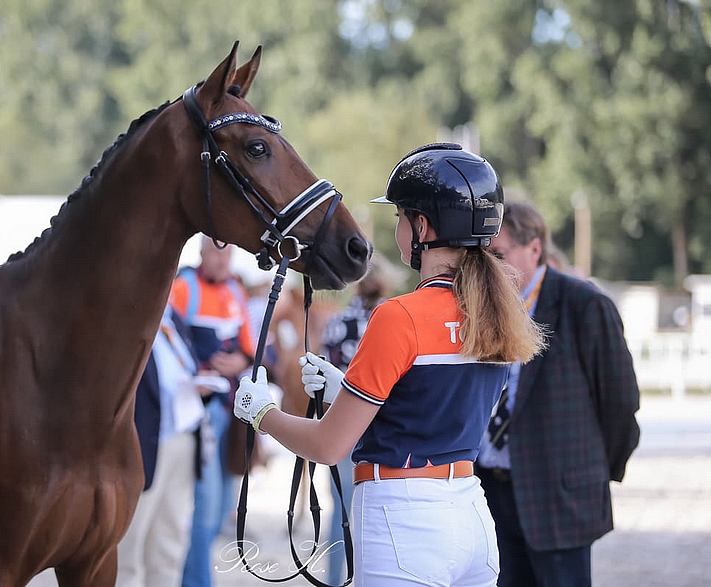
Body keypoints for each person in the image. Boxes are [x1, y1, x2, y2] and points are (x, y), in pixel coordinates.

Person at [233, 143, 545, 587]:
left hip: (404, 518)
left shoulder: (399, 316)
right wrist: (347, 388)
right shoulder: (499, 315)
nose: (396, 226)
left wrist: (262, 413)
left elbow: (327, 447)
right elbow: (434, 409)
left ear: (422, 226)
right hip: (470, 511)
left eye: (401, 216)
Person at [476, 200, 641, 587]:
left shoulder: (585, 305)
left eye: (498, 254)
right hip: (489, 493)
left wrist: (593, 473)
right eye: (484, 256)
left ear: (535, 248)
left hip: (559, 497)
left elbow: (619, 403)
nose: (490, 267)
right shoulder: (482, 308)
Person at [170, 236, 255, 587]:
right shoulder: (183, 288)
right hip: (197, 413)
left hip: (230, 410)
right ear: (202, 252)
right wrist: (197, 372)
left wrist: (241, 360)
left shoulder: (235, 291)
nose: (223, 260)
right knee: (204, 512)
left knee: (221, 509)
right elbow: (166, 343)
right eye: (216, 252)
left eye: (228, 252)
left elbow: (251, 346)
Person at [119, 303, 221, 587]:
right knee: (130, 544)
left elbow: (180, 368)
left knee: (170, 543)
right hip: (144, 444)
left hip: (183, 438)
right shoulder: (129, 313)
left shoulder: (173, 316)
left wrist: (199, 386)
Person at [318, 253, 403, 585]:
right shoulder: (393, 319)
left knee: (341, 511)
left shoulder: (337, 321)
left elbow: (325, 377)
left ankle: (335, 579)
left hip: (343, 421)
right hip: (383, 427)